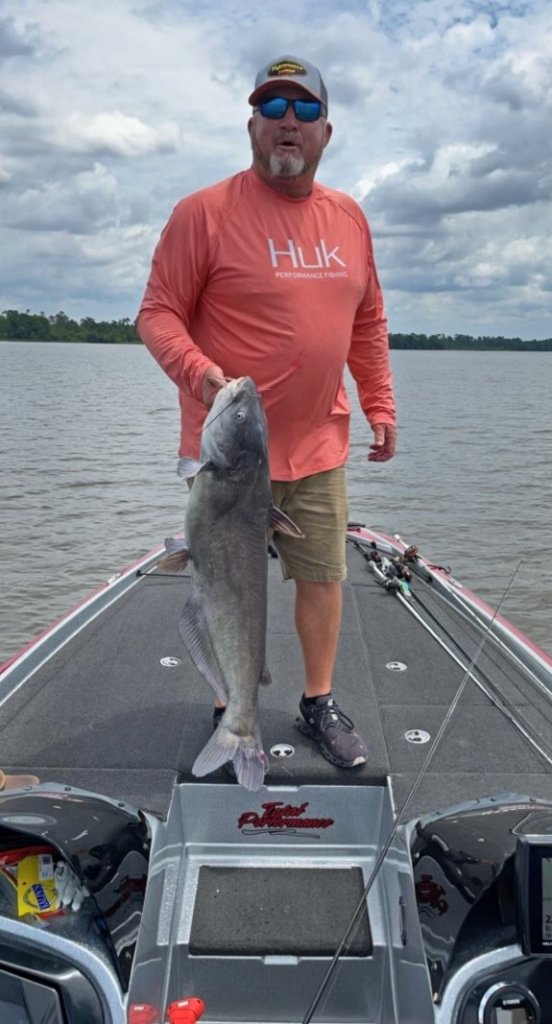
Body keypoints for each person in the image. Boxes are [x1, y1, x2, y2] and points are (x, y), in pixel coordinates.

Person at [137, 55, 396, 770]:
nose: (289, 122)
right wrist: (198, 372)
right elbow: (157, 314)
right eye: (274, 109)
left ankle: (318, 702)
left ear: (326, 131)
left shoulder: (349, 217)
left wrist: (379, 401)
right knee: (224, 588)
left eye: (304, 111)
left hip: (319, 444)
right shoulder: (203, 213)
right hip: (229, 464)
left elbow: (367, 322)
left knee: (322, 574)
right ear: (252, 124)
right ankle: (231, 710)